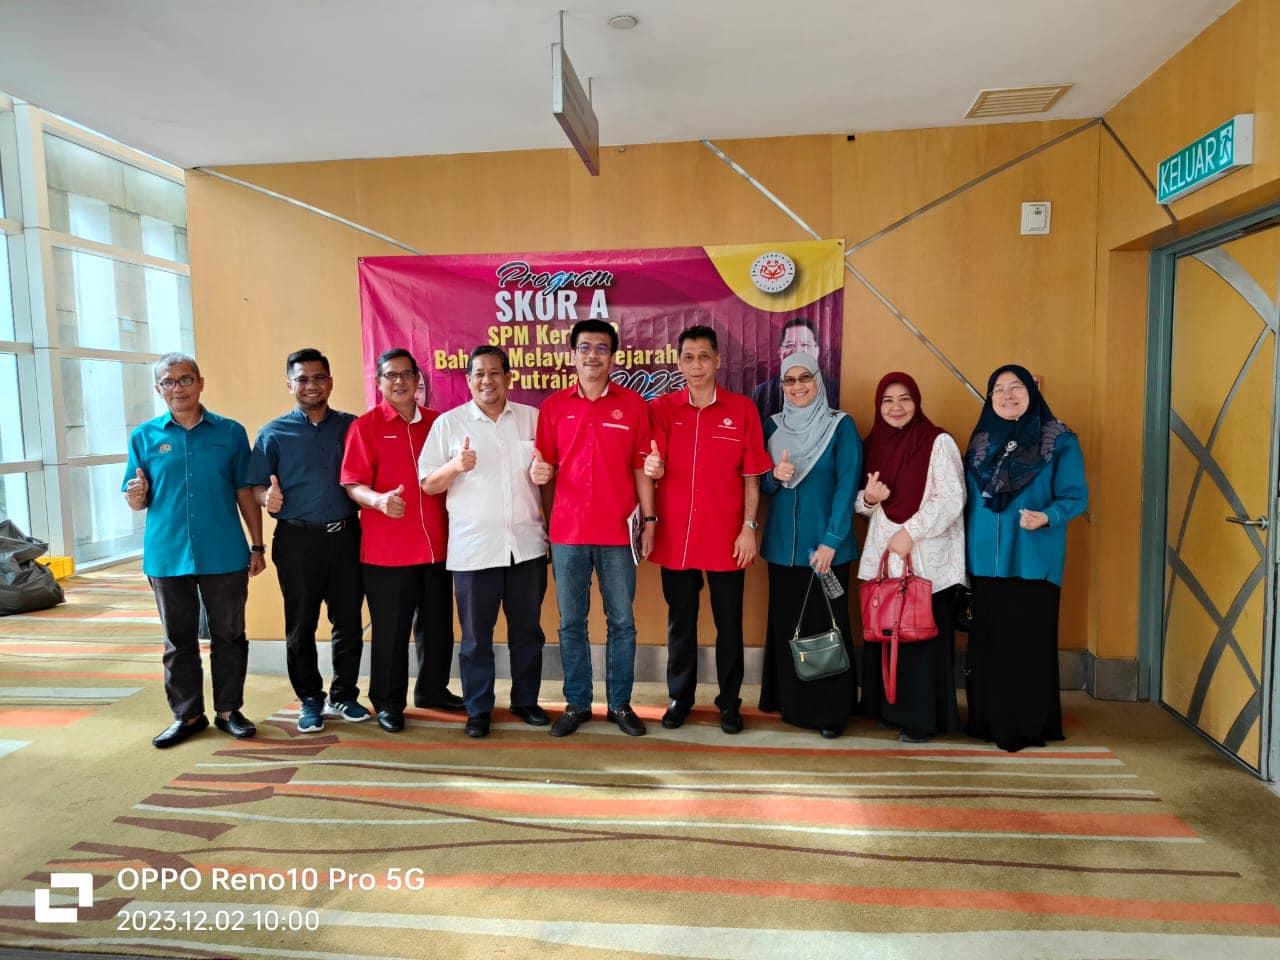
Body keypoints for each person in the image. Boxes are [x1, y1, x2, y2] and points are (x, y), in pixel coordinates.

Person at [123, 352, 265, 748]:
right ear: (158, 389)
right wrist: (136, 495)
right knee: (178, 640)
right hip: (167, 554)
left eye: (185, 379)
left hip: (224, 551)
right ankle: (187, 715)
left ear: (200, 382)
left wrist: (257, 544)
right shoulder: (144, 437)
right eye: (168, 382)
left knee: (230, 635)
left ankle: (229, 711)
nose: (178, 388)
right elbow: (136, 499)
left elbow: (244, 491)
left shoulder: (230, 432)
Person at [532, 318, 656, 737]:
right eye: (584, 347)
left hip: (619, 534)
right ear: (573, 355)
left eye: (602, 348)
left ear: (613, 357)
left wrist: (649, 521)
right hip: (567, 534)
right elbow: (545, 472)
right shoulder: (554, 407)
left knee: (622, 621)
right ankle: (577, 703)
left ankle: (620, 704)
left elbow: (641, 468)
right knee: (571, 622)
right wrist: (548, 526)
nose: (592, 355)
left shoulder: (633, 406)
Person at [419, 346, 550, 738]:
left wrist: (546, 473)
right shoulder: (449, 424)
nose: (487, 381)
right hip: (474, 552)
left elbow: (551, 472)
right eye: (479, 374)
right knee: (476, 639)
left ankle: (526, 701)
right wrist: (455, 466)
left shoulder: (532, 419)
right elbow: (428, 484)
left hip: (526, 546)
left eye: (495, 373)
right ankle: (478, 709)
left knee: (528, 633)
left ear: (508, 377)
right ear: (468, 380)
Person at [647, 325, 772, 734]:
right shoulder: (663, 409)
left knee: (729, 623)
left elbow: (752, 477)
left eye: (704, 356)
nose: (696, 365)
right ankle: (679, 699)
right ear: (678, 364)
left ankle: (729, 703)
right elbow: (651, 464)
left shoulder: (742, 409)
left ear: (717, 360)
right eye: (688, 358)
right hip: (677, 538)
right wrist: (653, 467)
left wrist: (748, 528)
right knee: (680, 622)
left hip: (727, 538)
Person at [963, 364, 1088, 753]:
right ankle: (986, 721)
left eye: (1015, 387)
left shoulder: (1058, 440)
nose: (1007, 395)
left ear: (1031, 393)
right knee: (989, 645)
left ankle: (1027, 725)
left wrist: (1048, 517)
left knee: (1026, 646)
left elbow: (1075, 495)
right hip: (984, 562)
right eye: (998, 389)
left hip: (1033, 559)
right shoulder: (981, 442)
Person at [247, 348, 369, 734]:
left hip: (346, 538)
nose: (311, 385)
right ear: (289, 385)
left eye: (318, 378)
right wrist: (267, 498)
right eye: (302, 379)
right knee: (301, 624)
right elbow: (255, 487)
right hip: (297, 541)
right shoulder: (272, 433)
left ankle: (344, 694)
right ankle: (310, 698)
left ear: (330, 382)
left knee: (348, 621)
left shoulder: (352, 427)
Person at [340, 348, 462, 733]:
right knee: (391, 633)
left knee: (438, 627)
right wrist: (377, 500)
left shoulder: (439, 423)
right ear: (378, 382)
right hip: (387, 551)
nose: (399, 381)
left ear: (417, 380)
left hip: (437, 546)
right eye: (390, 375)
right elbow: (352, 484)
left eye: (406, 374)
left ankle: (432, 690)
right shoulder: (365, 427)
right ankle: (388, 702)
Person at [856, 372, 965, 742]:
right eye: (887, 400)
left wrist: (911, 532)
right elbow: (861, 503)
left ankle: (922, 720)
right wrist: (870, 499)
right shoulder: (873, 444)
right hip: (887, 560)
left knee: (922, 640)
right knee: (888, 633)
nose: (896, 407)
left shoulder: (937, 441)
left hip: (927, 562)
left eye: (904, 398)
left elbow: (951, 498)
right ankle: (889, 711)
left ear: (917, 402)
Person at [758, 351, 861, 738]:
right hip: (783, 549)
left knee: (826, 627)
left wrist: (832, 541)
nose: (797, 386)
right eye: (789, 380)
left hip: (827, 551)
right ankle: (791, 704)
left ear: (818, 380)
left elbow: (848, 484)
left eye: (805, 378)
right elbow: (759, 482)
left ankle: (829, 711)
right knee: (788, 625)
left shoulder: (840, 425)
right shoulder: (772, 426)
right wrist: (774, 475)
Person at [751, 318, 836, 422]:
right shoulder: (761, 393)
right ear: (780, 351)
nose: (797, 350)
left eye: (805, 345)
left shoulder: (836, 390)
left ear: (817, 350)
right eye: (790, 345)